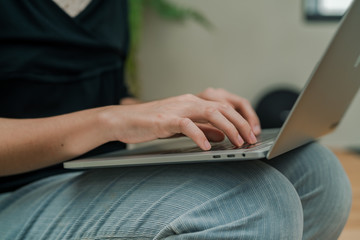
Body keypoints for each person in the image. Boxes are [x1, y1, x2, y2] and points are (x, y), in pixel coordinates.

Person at [0, 0, 352, 239]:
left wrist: (175, 113)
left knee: (316, 170)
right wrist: (112, 120)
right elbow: (107, 114)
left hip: (83, 172)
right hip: (12, 194)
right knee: (254, 202)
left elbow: (106, 94)